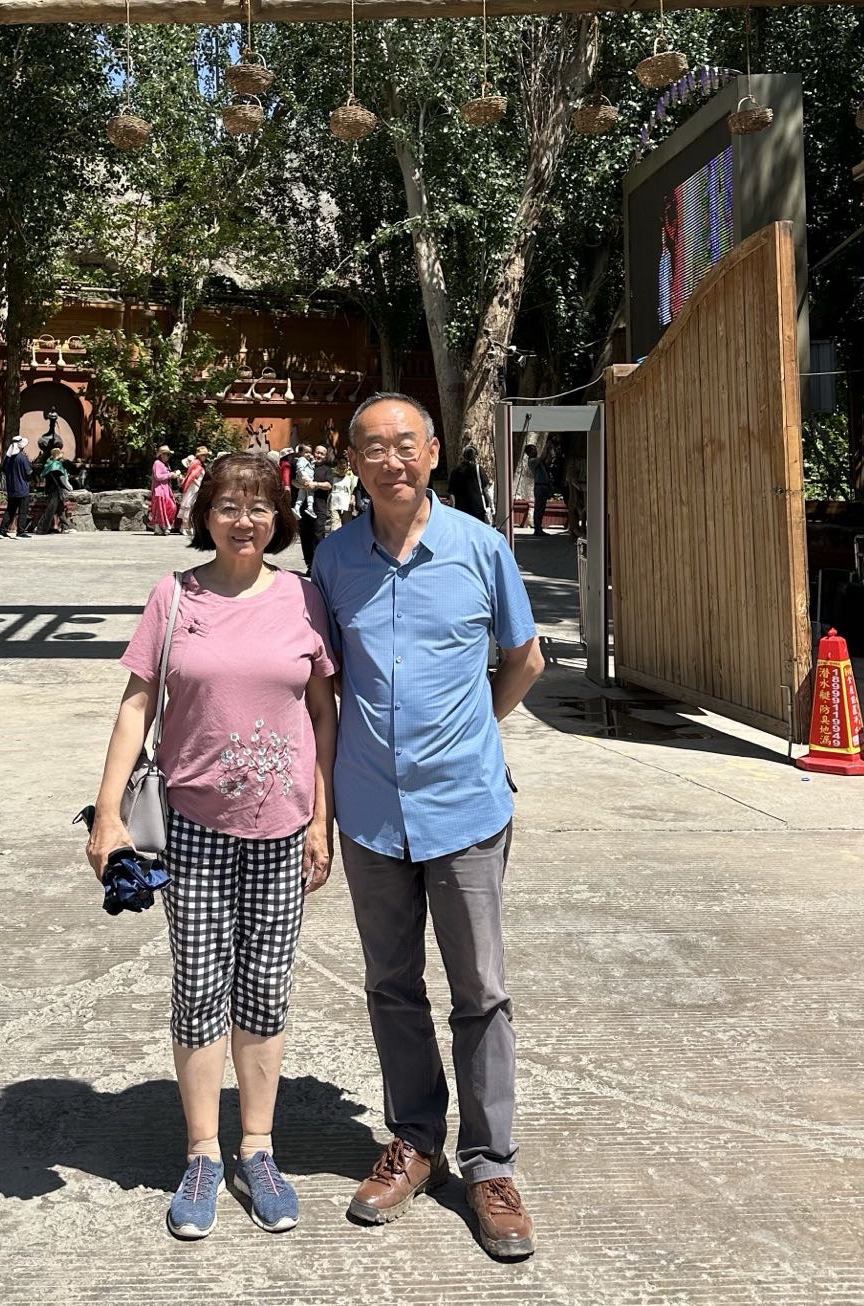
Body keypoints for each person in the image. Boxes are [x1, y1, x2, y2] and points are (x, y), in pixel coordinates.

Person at [311, 392, 545, 1261]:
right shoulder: (333, 559)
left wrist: (473, 729)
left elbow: (524, 658)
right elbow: (325, 680)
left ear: (434, 451)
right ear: (353, 462)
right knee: (391, 984)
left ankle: (489, 1166)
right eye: (372, 448)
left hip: (465, 809)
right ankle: (414, 1140)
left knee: (480, 991)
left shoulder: (481, 549)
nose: (391, 461)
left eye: (404, 444)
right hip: (371, 809)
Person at [86, 453, 338, 1241]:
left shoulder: (303, 597)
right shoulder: (174, 596)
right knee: (198, 987)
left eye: (259, 507)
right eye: (227, 506)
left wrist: (321, 819)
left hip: (281, 830)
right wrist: (106, 812)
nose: (243, 520)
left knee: (264, 988)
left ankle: (257, 1148)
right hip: (192, 828)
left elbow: (323, 713)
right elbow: (137, 704)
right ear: (204, 517)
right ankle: (200, 1152)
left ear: (278, 519)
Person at [296, 444, 333, 574]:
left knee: (318, 535)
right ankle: (310, 565)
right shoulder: (304, 465)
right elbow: (294, 481)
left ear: (325, 457)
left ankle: (320, 564)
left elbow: (329, 485)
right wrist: (303, 485)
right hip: (304, 507)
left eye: (322, 454)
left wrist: (315, 484)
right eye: (317, 452)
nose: (319, 455)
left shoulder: (327, 470)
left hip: (319, 508)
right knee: (305, 535)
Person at [447, 443, 492, 524]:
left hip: (461, 509)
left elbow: (451, 493)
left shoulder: (455, 471)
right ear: (475, 457)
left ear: (463, 456)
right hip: (478, 509)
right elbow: (486, 489)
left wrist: (453, 508)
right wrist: (491, 504)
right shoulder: (478, 469)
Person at [0, 436, 33, 538]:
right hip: (22, 488)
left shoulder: (8, 458)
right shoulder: (22, 458)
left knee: (10, 510)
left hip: (11, 488)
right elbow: (29, 473)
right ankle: (21, 531)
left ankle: (2, 530)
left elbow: (3, 470)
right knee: (22, 511)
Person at [38, 444, 73, 534]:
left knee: (60, 510)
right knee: (50, 510)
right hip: (56, 491)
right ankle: (41, 529)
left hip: (50, 489)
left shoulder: (48, 465)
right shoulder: (57, 466)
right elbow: (62, 478)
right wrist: (69, 487)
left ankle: (67, 527)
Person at [177, 446, 209, 537]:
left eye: (205, 455)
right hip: (193, 488)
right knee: (189, 506)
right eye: (203, 455)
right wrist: (199, 485)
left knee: (192, 507)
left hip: (196, 488)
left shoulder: (199, 464)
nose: (205, 457)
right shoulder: (196, 463)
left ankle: (188, 527)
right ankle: (184, 527)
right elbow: (192, 477)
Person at [150, 444, 178, 535]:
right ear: (161, 455)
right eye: (166, 454)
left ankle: (164, 526)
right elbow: (158, 476)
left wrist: (172, 475)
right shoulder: (157, 463)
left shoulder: (165, 464)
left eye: (168, 454)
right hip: (159, 490)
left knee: (171, 507)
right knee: (160, 510)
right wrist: (170, 475)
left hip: (165, 490)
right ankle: (160, 528)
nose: (168, 456)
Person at [328, 455, 359, 529]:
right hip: (334, 504)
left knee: (347, 526)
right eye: (340, 467)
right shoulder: (332, 476)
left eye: (344, 468)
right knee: (335, 526)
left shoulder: (351, 477)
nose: (342, 470)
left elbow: (353, 490)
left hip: (346, 504)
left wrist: (352, 499)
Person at [531, 448, 554, 536]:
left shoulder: (538, 461)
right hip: (539, 486)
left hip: (544, 486)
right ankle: (537, 528)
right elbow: (543, 457)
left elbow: (547, 461)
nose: (536, 451)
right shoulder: (532, 461)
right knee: (539, 507)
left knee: (542, 507)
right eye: (533, 450)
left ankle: (539, 527)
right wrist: (547, 446)